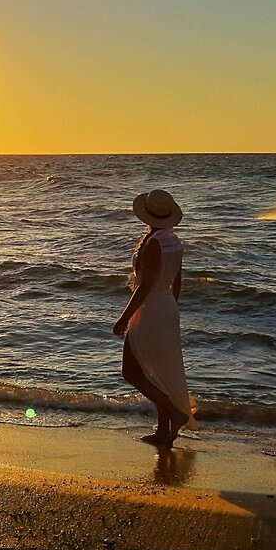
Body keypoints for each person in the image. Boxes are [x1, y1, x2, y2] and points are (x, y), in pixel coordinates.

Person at [113, 189, 197, 446]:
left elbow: (145, 286)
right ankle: (164, 434)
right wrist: (171, 307)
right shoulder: (174, 241)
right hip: (167, 306)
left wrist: (124, 318)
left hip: (150, 308)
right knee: (157, 372)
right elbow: (178, 281)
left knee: (131, 371)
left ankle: (175, 413)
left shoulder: (154, 243)